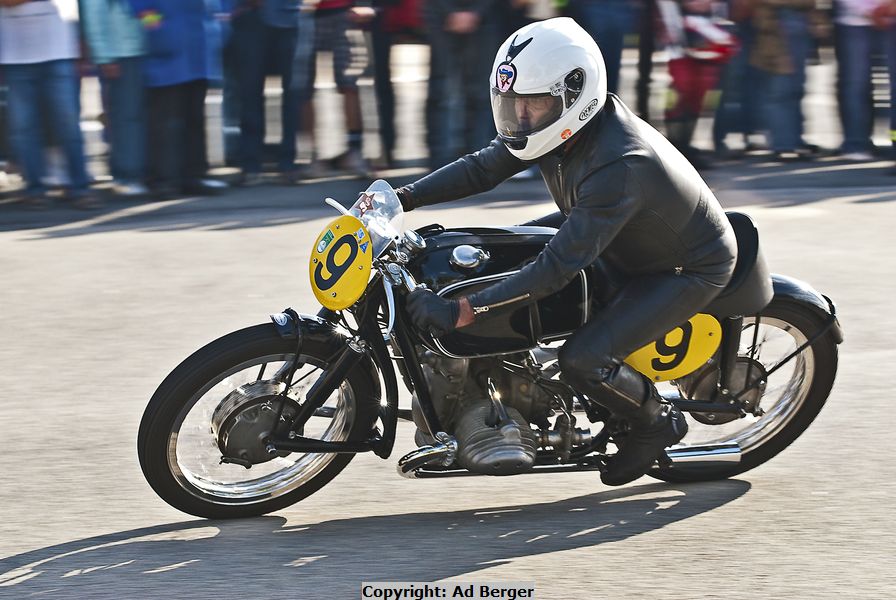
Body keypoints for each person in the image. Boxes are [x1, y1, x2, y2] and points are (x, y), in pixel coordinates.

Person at [397, 17, 737, 486]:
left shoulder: (618, 164)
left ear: (573, 93)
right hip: (621, 232)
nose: (519, 118)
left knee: (583, 359)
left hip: (681, 267)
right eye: (511, 105)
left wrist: (460, 310)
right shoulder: (563, 128)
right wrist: (402, 198)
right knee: (505, 249)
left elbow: (555, 268)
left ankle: (655, 424)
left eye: (529, 104)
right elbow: (483, 167)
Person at [0, 0, 99, 209]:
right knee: (24, 129)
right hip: (15, 58)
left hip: (58, 54)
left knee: (69, 126)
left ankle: (80, 188)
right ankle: (35, 189)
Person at [130, 0, 227, 198]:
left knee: (195, 120)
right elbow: (140, 6)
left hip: (198, 50)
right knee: (163, 123)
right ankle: (163, 180)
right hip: (166, 56)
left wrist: (217, 27)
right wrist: (159, 31)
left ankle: (194, 176)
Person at [81, 0, 148, 197]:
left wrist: (156, 32)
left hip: (146, 52)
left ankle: (142, 171)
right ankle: (125, 175)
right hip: (120, 55)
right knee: (126, 118)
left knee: (141, 116)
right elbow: (93, 14)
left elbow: (151, 13)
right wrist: (104, 56)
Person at [230, 0, 301, 185]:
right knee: (249, 94)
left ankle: (288, 164)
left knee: (292, 95)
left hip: (289, 18)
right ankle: (251, 165)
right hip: (249, 18)